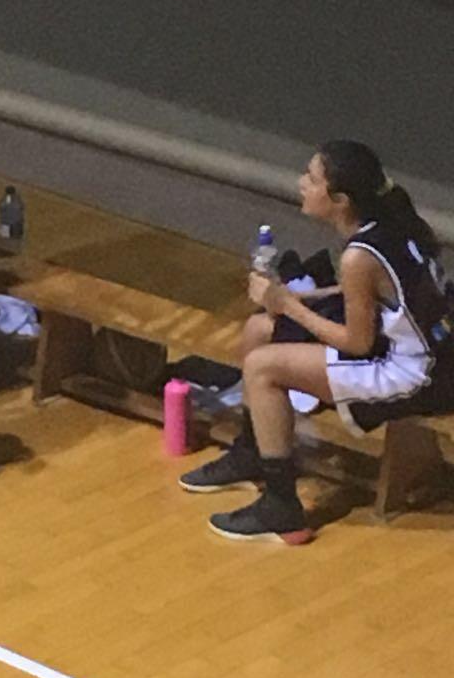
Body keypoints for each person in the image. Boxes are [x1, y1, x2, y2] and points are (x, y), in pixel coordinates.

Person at [181, 141, 454, 542]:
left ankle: (281, 506)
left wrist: (287, 305)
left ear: (340, 200)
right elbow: (375, 301)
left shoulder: (359, 256)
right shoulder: (392, 225)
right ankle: (252, 451)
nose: (301, 183)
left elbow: (357, 344)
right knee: (260, 330)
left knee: (263, 367)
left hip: (417, 374)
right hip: (429, 351)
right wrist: (296, 300)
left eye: (312, 178)